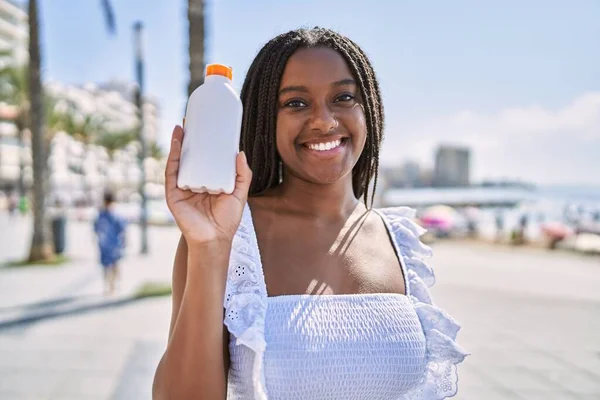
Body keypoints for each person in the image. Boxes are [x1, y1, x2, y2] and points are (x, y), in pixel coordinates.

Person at [153, 27, 467, 400]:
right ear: (264, 119)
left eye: (344, 97)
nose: (324, 121)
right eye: (296, 103)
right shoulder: (229, 236)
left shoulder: (397, 241)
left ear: (370, 111)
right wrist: (208, 246)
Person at [94, 191, 126, 295]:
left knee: (110, 266)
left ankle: (111, 286)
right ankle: (111, 286)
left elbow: (96, 229)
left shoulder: (102, 215)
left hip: (108, 245)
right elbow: (122, 230)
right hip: (111, 245)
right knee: (111, 266)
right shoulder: (114, 215)